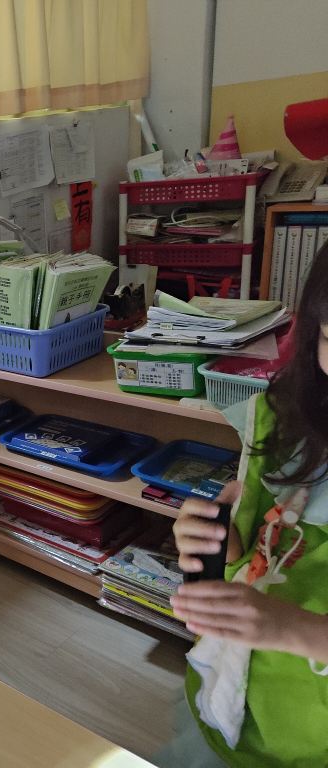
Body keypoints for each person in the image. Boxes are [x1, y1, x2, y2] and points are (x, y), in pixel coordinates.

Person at [164, 242, 328, 767]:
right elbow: (257, 551)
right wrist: (219, 545)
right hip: (239, 700)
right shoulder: (284, 417)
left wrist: (295, 630)